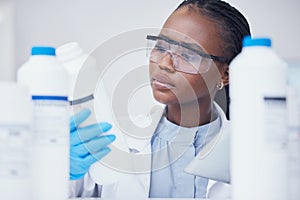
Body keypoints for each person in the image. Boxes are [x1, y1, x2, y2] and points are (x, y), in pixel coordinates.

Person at [69, 0, 251, 198]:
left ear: (225, 74)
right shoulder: (116, 141)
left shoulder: (250, 154)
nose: (164, 64)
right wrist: (61, 168)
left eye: (188, 55)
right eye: (161, 48)